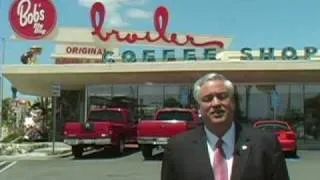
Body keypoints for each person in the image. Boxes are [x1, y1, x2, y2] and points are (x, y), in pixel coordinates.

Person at [161, 73, 289, 180]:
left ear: (233, 102)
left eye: (222, 97)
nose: (216, 103)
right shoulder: (177, 148)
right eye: (207, 99)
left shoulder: (265, 144)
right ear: (198, 108)